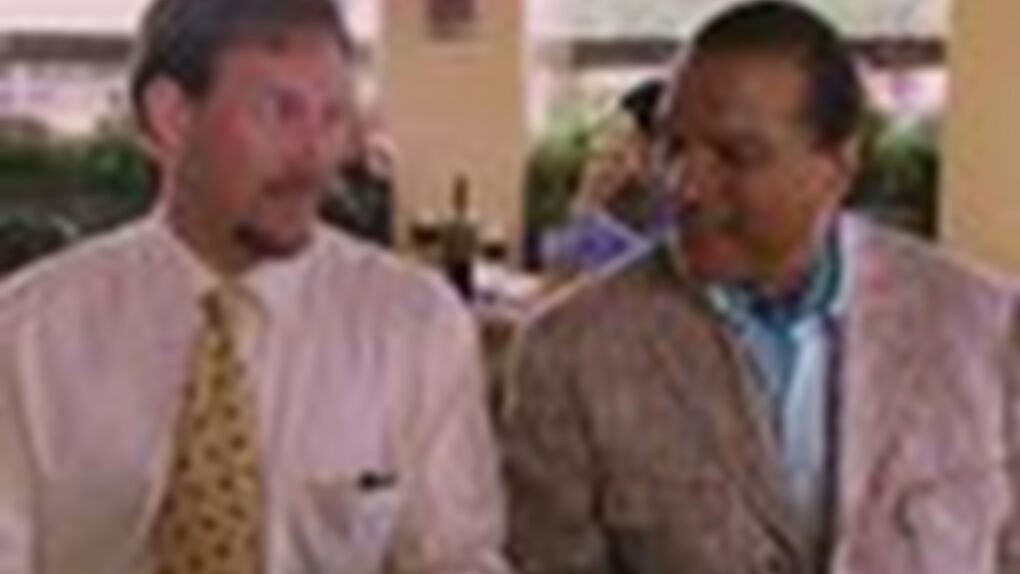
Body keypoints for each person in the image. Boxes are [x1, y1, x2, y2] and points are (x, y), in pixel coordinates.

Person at [501, 2, 1020, 573]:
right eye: (673, 146)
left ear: (838, 166)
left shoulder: (988, 329)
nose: (684, 186)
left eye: (735, 156)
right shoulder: (570, 353)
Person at [0, 0, 510, 572]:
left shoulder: (414, 325)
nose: (315, 158)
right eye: (281, 112)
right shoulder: (26, 336)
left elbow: (455, 556)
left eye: (332, 116)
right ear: (172, 117)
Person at [541, 80, 666, 275]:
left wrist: (587, 209)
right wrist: (586, 206)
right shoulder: (626, 201)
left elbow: (561, 278)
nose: (625, 146)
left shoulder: (678, 211)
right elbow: (557, 275)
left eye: (633, 136)